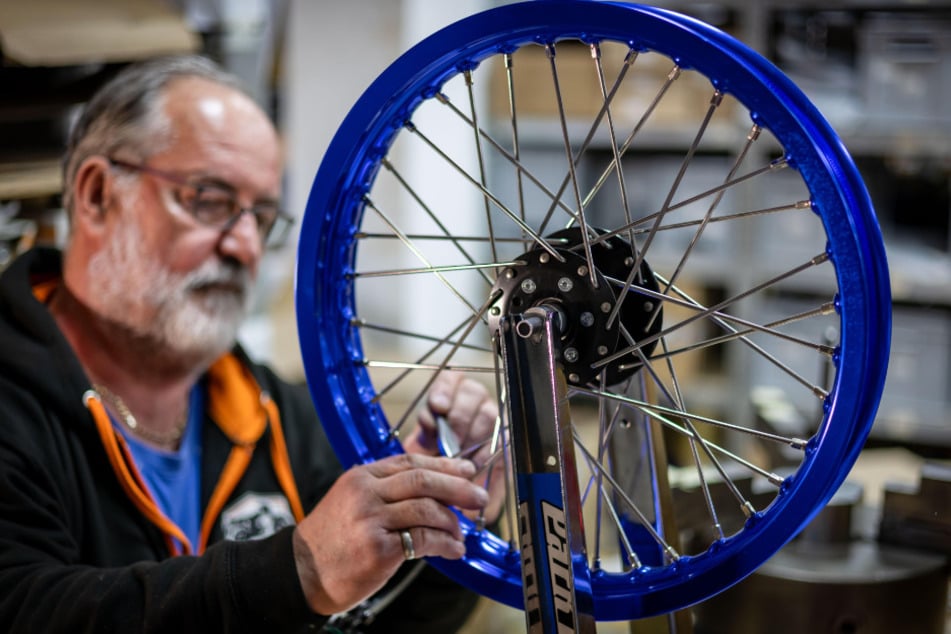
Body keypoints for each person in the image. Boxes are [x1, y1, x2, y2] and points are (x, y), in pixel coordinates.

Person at [0, 54, 503, 633]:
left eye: (261, 217)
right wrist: (296, 574)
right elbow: (23, 607)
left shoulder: (274, 414)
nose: (243, 246)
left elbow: (388, 624)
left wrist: (440, 524)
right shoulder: (12, 406)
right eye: (210, 200)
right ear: (96, 195)